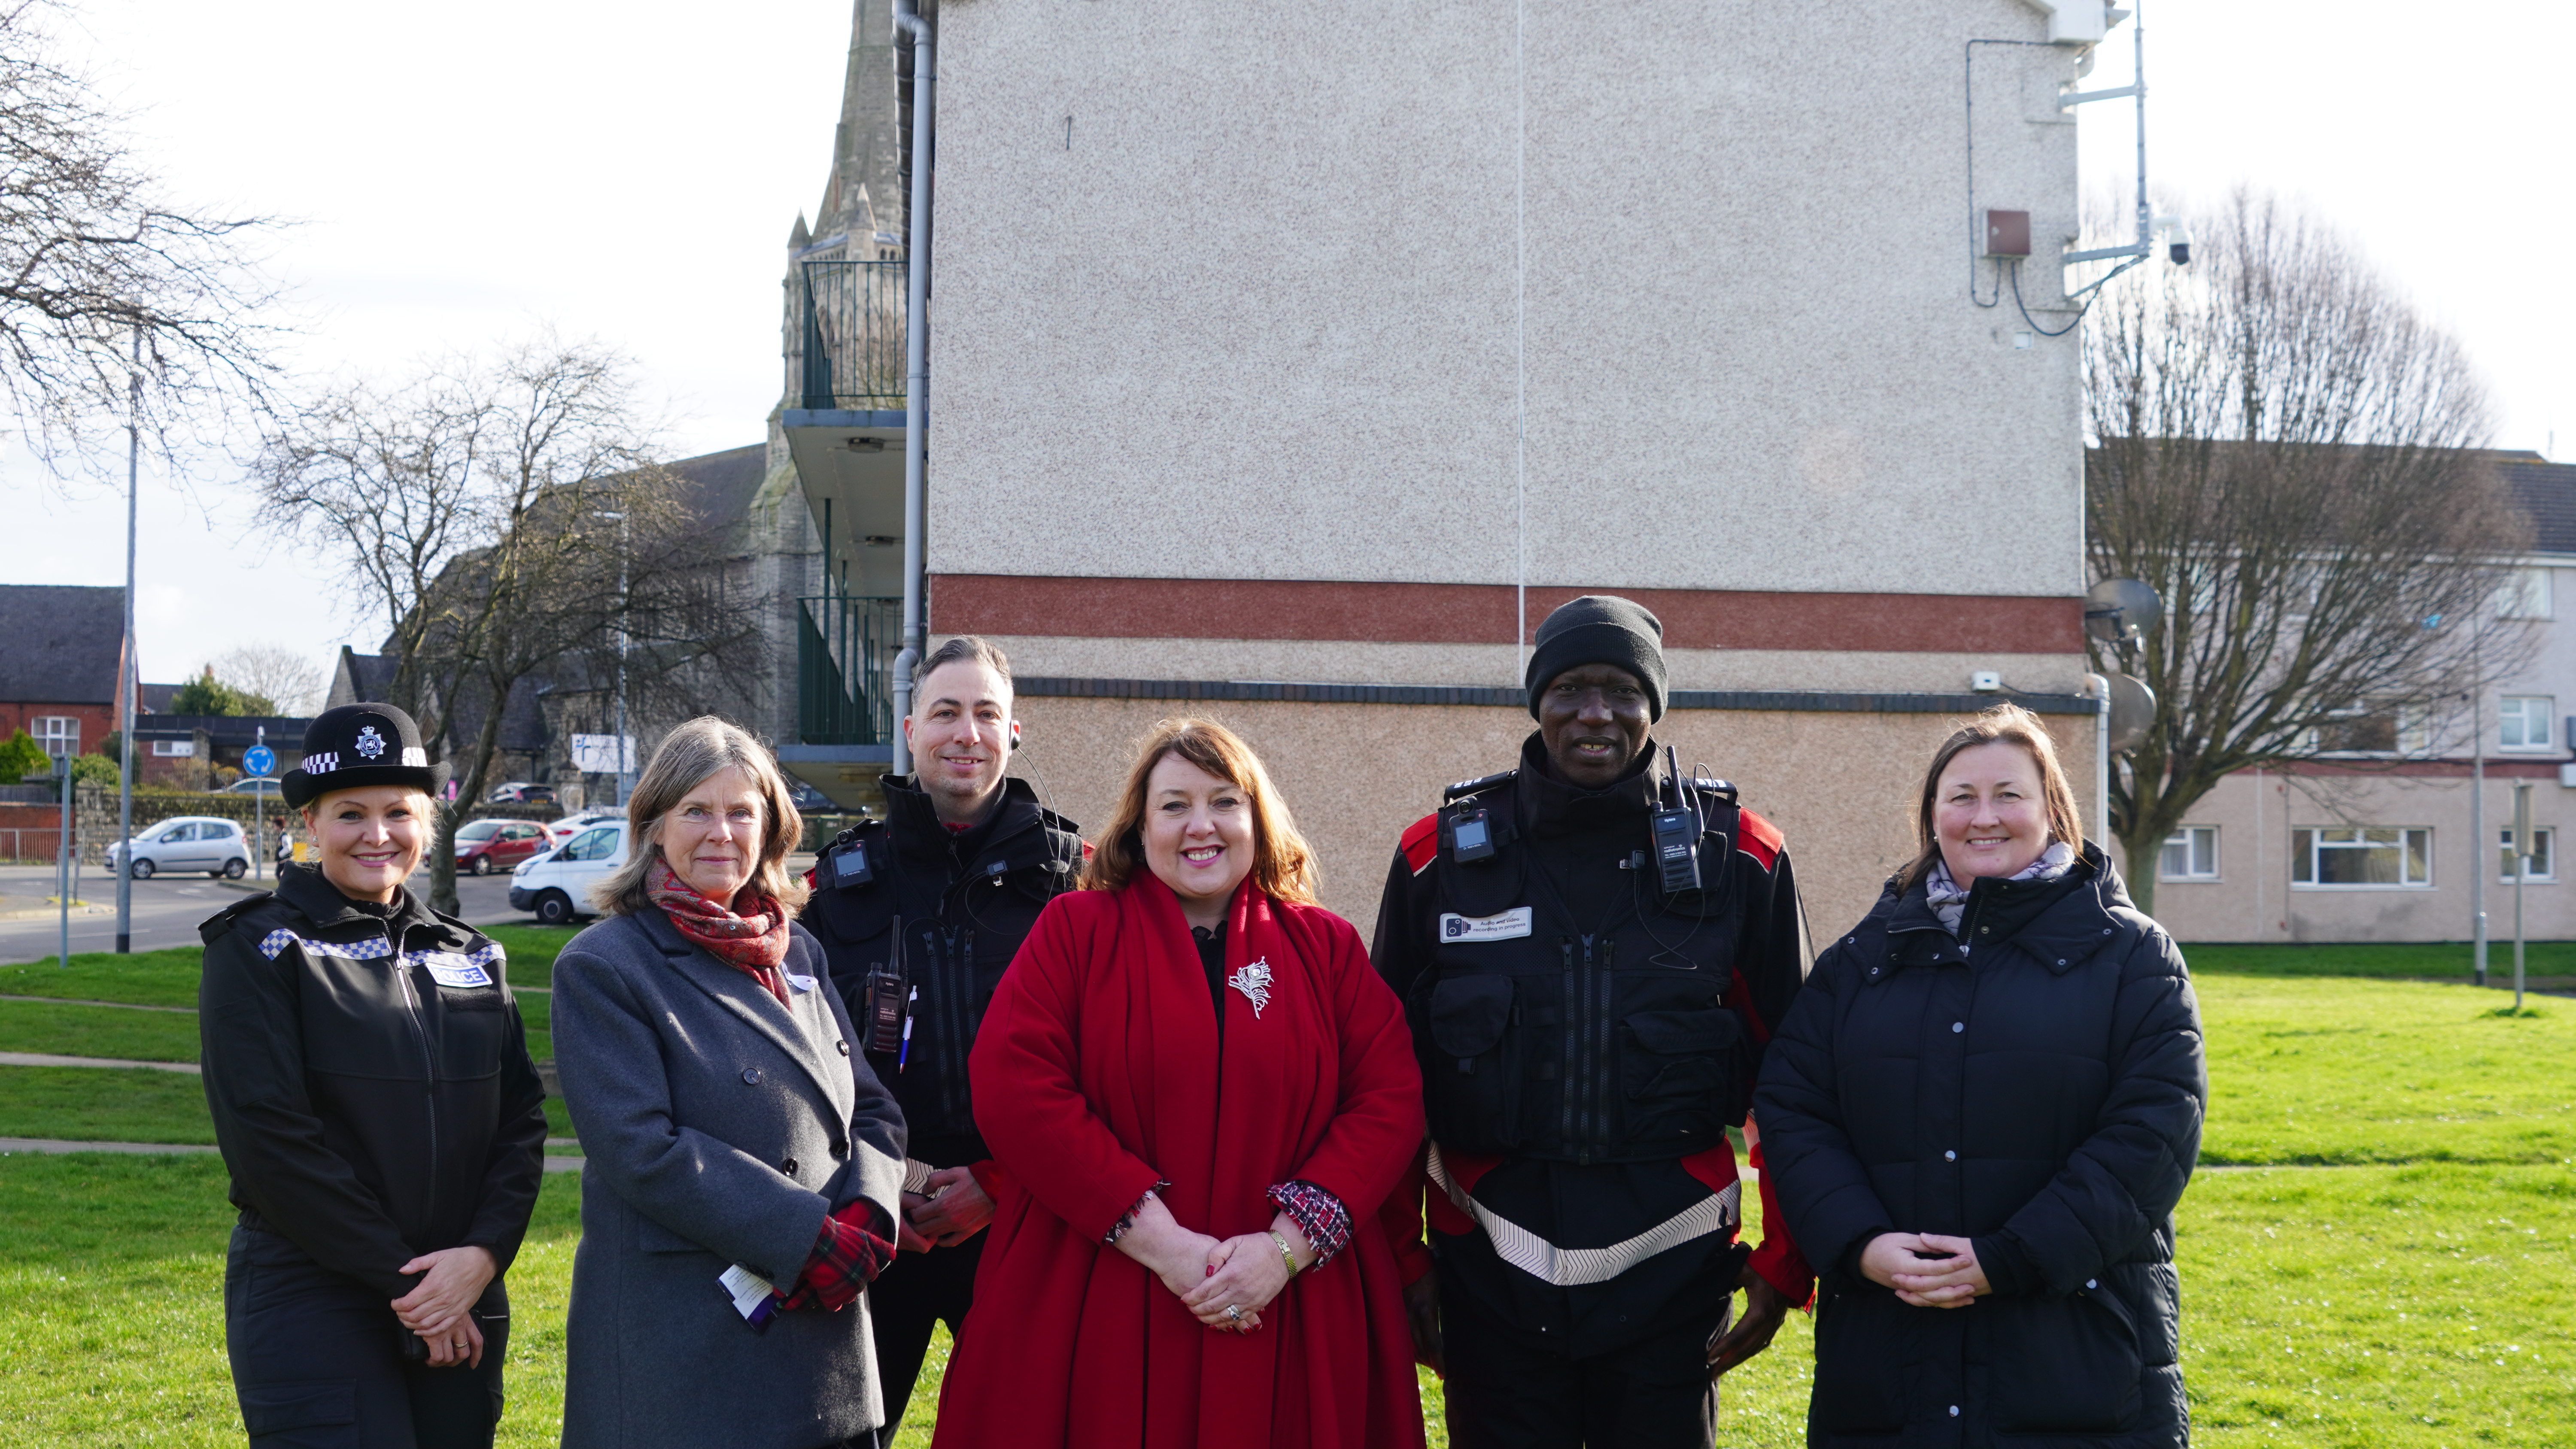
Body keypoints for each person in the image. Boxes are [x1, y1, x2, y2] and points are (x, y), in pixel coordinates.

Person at [1371, 595, 1814, 1448]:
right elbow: (1389, 1083)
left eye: (1621, 690)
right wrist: (1405, 1258)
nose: (1596, 715)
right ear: (1537, 700)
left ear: (1655, 703)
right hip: (1488, 1274)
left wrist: (1785, 1263)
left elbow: (1796, 1077)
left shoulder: (1742, 856)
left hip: (1671, 1277)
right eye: (1571, 688)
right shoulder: (1438, 857)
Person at [930, 718, 1428, 1449]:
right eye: (1175, 805)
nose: (1203, 826)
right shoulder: (1074, 931)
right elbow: (1017, 1086)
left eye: (1225, 802)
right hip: (1099, 1295)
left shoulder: (1326, 947)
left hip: (1292, 1302)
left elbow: (1388, 1100)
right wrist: (1165, 1246)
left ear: (1257, 819)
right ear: (1139, 827)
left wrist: (1282, 1251)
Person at [1753, 704, 2205, 1447]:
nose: (1984, 817)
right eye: (1961, 797)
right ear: (1932, 817)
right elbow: (1795, 1113)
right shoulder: (1858, 966)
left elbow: (2154, 1132)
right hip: (1888, 1359)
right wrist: (1861, 1244)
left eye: (2009, 794)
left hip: (2077, 1357)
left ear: (2051, 808)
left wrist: (2011, 1259)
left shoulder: (2133, 957)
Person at [550, 717, 908, 1449]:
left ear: (771, 827)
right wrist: (805, 1237)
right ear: (653, 826)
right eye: (696, 810)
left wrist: (872, 1212)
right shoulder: (604, 965)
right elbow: (641, 1150)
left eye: (742, 811)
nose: (722, 832)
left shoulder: (796, 950)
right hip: (689, 1352)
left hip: (825, 1330)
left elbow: (869, 1107)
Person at [198, 703, 548, 1448]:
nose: (378, 834)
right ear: (312, 825)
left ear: (428, 823)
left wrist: (482, 1257)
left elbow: (520, 1121)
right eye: (351, 813)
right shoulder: (257, 948)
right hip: (314, 1287)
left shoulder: (476, 954)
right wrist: (412, 1284)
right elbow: (271, 1145)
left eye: (398, 812)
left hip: (464, 1284)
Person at [799, 637, 1085, 1446]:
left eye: (987, 714)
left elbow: (1103, 1066)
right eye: (947, 713)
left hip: (1025, 1217)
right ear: (911, 727)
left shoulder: (1074, 880)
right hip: (873, 1221)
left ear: (1014, 732)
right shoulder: (838, 887)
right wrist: (884, 1183)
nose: (968, 733)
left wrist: (998, 1181)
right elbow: (806, 1061)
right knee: (844, 1434)